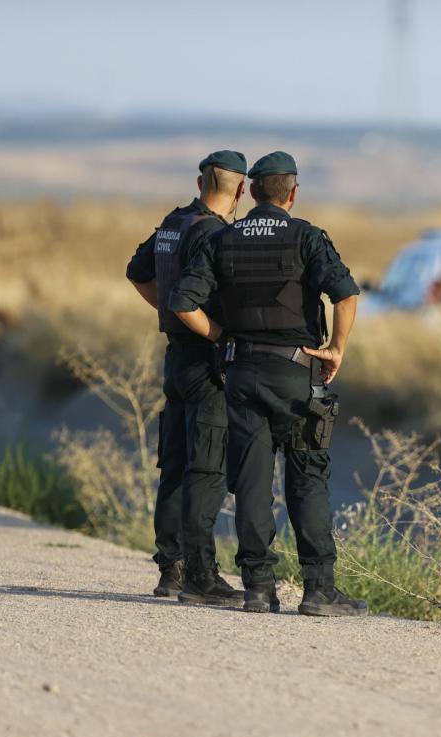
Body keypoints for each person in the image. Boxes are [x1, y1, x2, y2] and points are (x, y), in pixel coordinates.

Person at [169, 151, 368, 616]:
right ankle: (319, 589)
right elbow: (347, 295)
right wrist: (336, 348)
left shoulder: (223, 237)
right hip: (298, 373)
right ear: (293, 194)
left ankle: (259, 586)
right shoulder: (307, 237)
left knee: (253, 481)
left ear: (252, 191)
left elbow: (183, 302)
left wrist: (222, 338)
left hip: (240, 374)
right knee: (307, 480)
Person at [125, 150, 247, 605]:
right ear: (239, 190)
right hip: (205, 361)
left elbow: (136, 274)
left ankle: (170, 570)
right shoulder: (216, 235)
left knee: (173, 465)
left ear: (200, 184)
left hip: (175, 359)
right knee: (206, 467)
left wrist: (170, 312)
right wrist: (215, 332)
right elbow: (184, 301)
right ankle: (201, 574)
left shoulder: (174, 224)